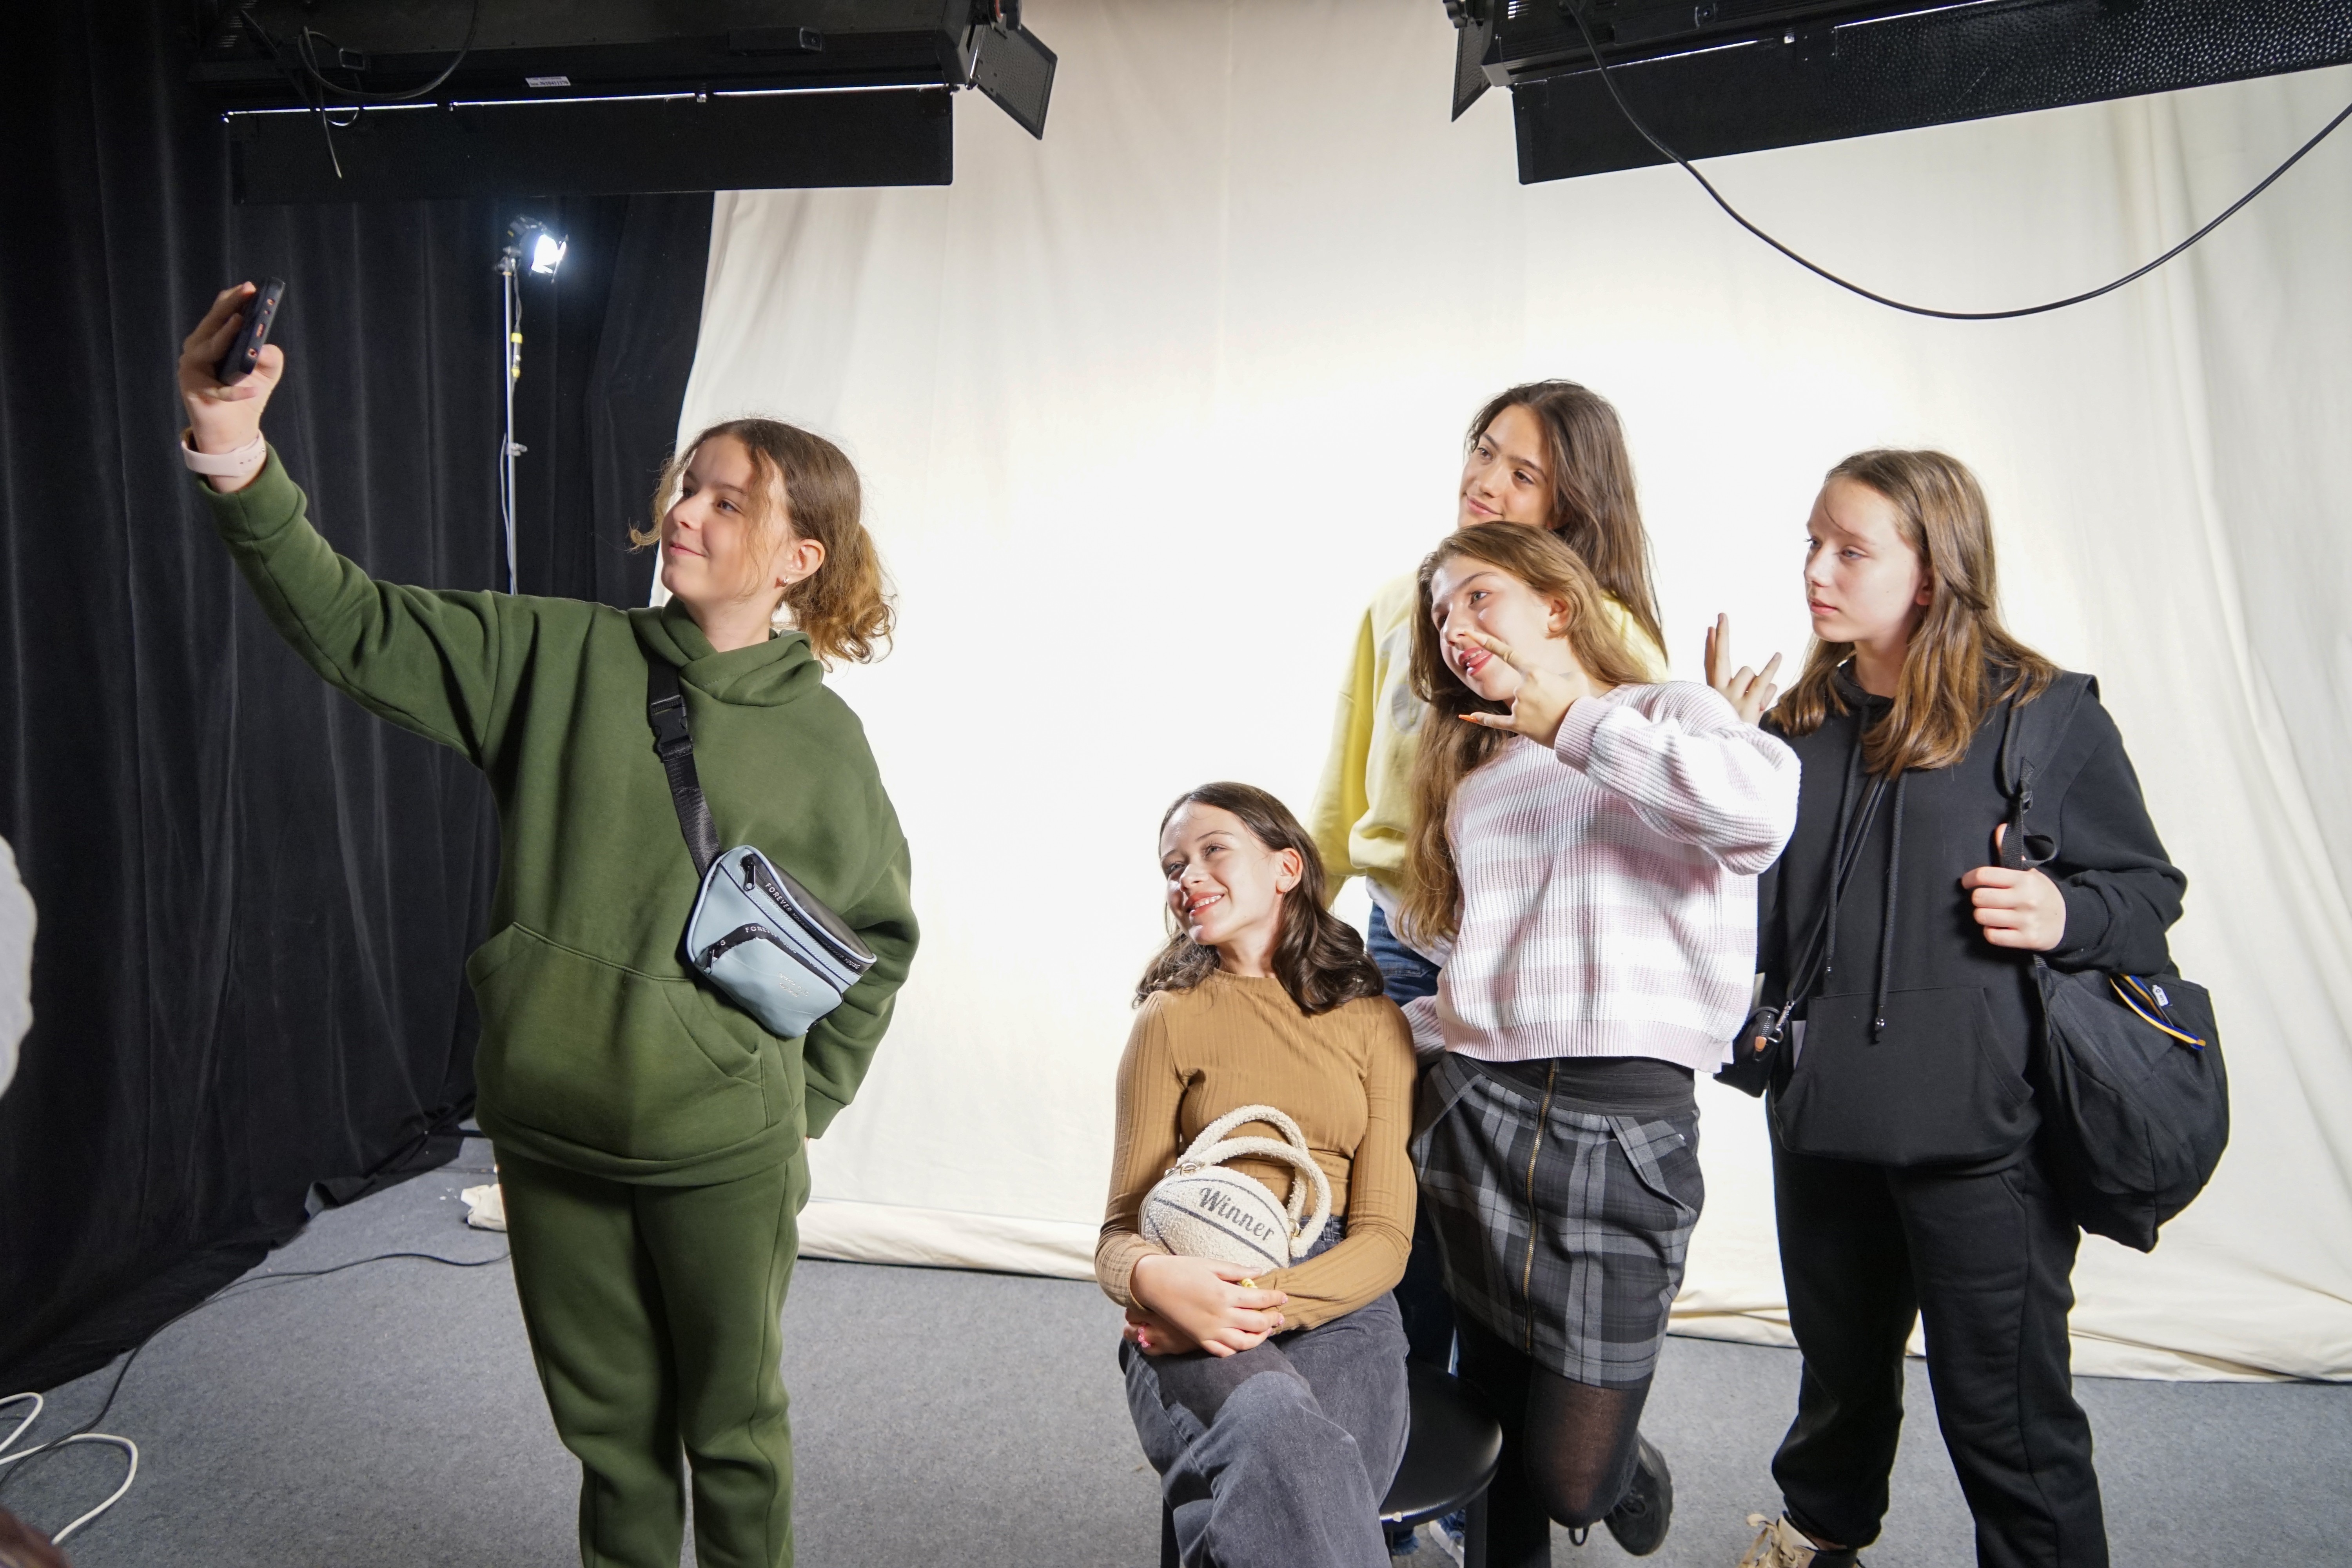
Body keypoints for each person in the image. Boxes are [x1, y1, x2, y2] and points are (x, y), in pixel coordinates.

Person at [176, 284, 919, 1568]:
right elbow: (354, 624)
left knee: (734, 1433)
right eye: (689, 486)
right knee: (611, 1441)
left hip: (720, 1154)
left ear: (801, 558)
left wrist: (795, 1103)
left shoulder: (825, 747)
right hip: (552, 1129)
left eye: (728, 502)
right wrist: (235, 447)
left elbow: (878, 942)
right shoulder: (556, 655)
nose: (685, 512)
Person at [1729, 452, 2183, 1568]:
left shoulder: (2044, 716)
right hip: (1825, 1120)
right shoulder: (1792, 725)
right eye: (1811, 542)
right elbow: (1748, 925)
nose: (1815, 571)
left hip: (1984, 1137)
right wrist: (1716, 769)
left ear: (1931, 573)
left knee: (2009, 1420)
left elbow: (2146, 896)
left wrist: (2062, 912)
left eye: (1850, 550)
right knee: (1838, 1383)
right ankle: (1817, 1537)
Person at [1401, 524, 1799, 1564]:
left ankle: (1625, 1463)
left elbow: (1760, 820)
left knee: (1572, 1476)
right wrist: (1384, 1041)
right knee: (1496, 1437)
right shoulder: (1476, 775)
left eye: (1477, 596)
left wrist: (1574, 723)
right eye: (1440, 614)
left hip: (1625, 1130)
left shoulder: (1671, 715)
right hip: (1477, 1114)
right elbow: (1483, 969)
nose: (1454, 626)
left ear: (1557, 605)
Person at [1308, 381, 1673, 1406]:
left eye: (1524, 472)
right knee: (1388, 1203)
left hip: (1528, 970)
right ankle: (1394, 1435)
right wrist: (1291, 922)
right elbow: (1344, 784)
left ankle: (1515, 1456)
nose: (1487, 480)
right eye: (1483, 450)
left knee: (1498, 1222)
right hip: (1399, 940)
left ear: (1571, 501)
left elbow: (1644, 827)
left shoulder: (1608, 633)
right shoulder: (1401, 605)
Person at [1098, 783, 1416, 1568]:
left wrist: (1255, 1303)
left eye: (1213, 850)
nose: (1187, 875)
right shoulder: (1170, 1017)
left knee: (1305, 1473)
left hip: (1342, 1293)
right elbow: (1117, 1237)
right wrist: (1165, 1283)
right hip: (1194, 1283)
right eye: (1174, 865)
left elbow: (1385, 1237)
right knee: (1281, 1428)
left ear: (1287, 867)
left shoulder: (1374, 1022)